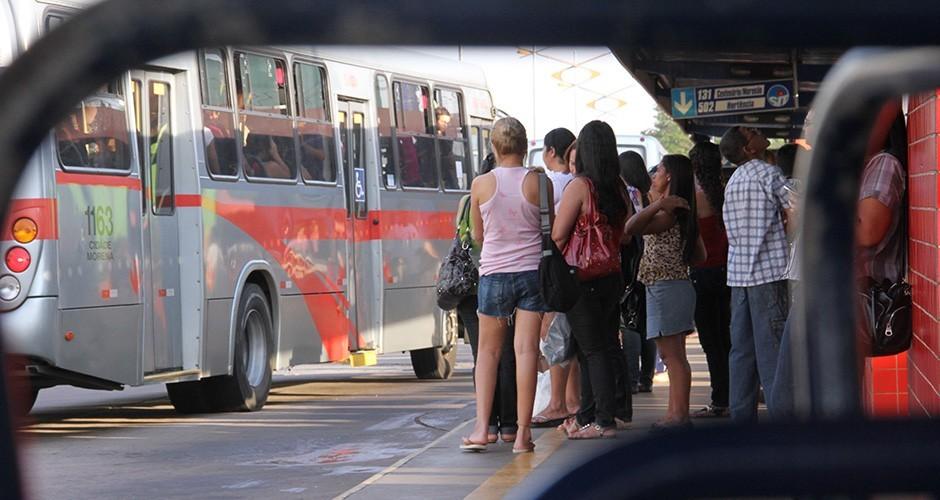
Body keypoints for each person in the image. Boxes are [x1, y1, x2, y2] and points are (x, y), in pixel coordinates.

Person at [461, 117, 547, 454]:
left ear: (494, 148)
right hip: (531, 274)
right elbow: (548, 233)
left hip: (494, 275)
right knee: (525, 351)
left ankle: (483, 428)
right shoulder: (539, 183)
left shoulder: (481, 184)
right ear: (525, 147)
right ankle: (523, 435)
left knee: (488, 352)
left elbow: (477, 236)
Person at [552, 121, 632, 439]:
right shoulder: (619, 186)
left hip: (582, 278)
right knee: (597, 347)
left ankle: (603, 421)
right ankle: (587, 416)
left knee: (592, 350)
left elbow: (558, 235)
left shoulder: (580, 186)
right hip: (612, 275)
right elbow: (623, 234)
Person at [625, 154, 706, 429]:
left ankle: (679, 415)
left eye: (658, 170)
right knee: (673, 355)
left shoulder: (668, 213)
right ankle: (675, 412)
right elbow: (700, 255)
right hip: (673, 285)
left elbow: (630, 227)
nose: (654, 175)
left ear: (669, 175)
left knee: (673, 357)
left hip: (666, 287)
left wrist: (658, 203)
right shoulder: (681, 211)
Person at [719, 126, 791, 423]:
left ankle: (741, 421)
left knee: (742, 353)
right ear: (749, 148)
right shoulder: (769, 174)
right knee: (773, 351)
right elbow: (796, 208)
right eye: (752, 133)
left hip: (739, 275)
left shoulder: (734, 179)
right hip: (768, 271)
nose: (759, 132)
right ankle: (782, 424)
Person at [455, 153, 518, 443]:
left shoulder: (469, 200)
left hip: (471, 286)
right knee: (506, 355)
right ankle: (508, 426)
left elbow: (465, 238)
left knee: (483, 356)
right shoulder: (513, 195)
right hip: (504, 277)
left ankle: (488, 426)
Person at [531, 128, 580, 429]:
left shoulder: (552, 185)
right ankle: (572, 401)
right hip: (579, 270)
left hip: (557, 269)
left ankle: (558, 403)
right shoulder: (580, 183)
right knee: (571, 340)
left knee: (555, 336)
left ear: (551, 152)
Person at [689, 142, 732, 418]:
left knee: (710, 341)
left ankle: (720, 399)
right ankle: (731, 396)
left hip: (702, 272)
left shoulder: (694, 197)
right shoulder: (724, 191)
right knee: (727, 338)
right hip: (727, 271)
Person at [618, 151, 657, 394]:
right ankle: (646, 378)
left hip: (631, 262)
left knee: (629, 320)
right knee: (646, 321)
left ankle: (631, 378)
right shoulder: (651, 196)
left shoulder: (627, 195)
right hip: (650, 263)